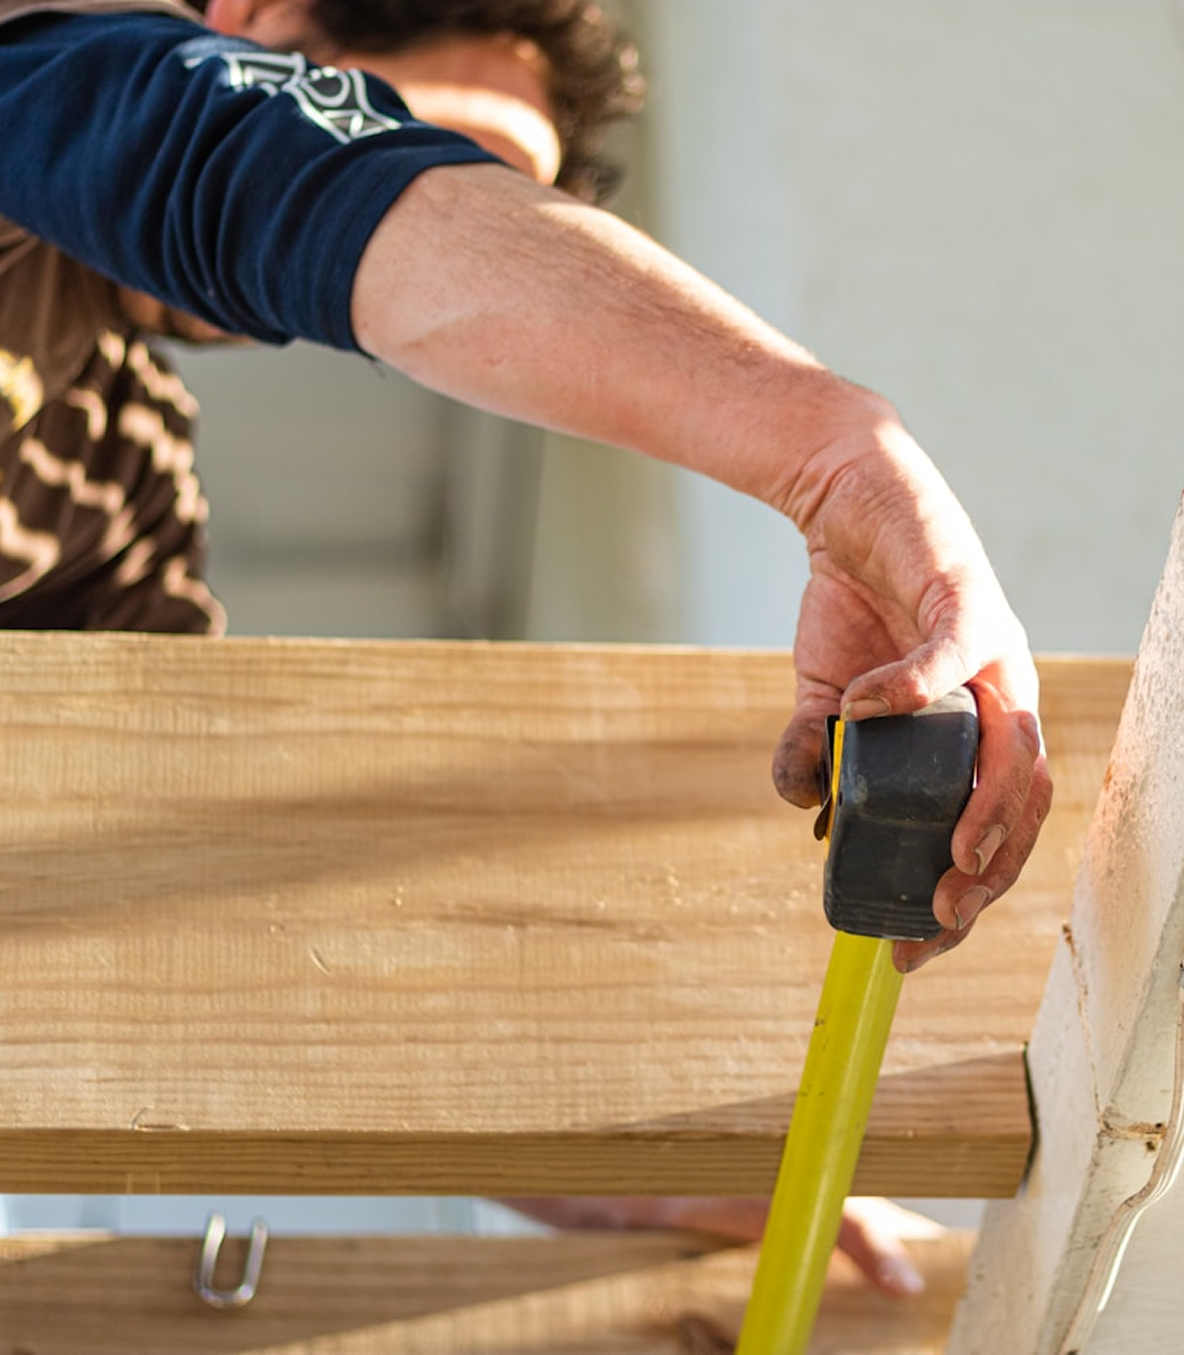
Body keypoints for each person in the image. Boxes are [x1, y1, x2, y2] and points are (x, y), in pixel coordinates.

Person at [0, 0, 1052, 1296]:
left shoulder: (115, 477)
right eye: (405, 140)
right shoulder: (37, 71)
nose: (440, 247)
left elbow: (189, 901)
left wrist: (597, 1162)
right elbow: (244, 153)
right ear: (258, 22)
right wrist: (835, 456)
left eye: (498, 201)